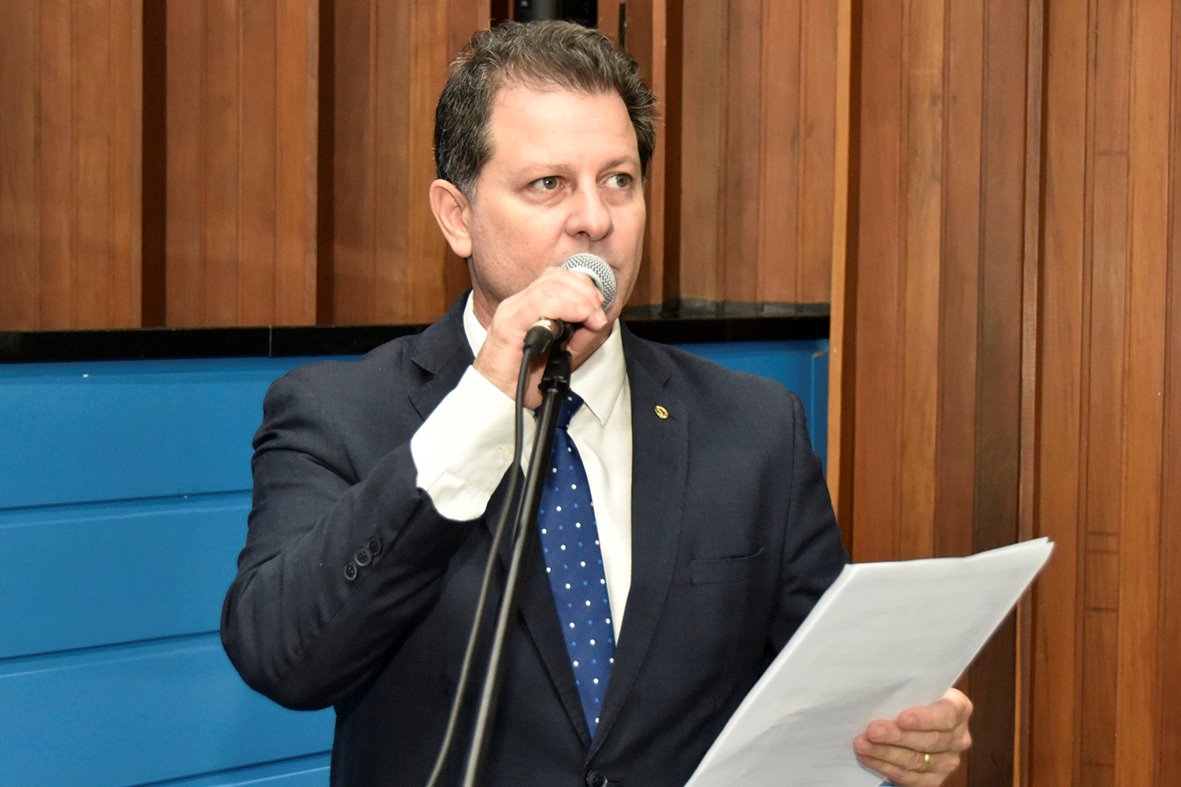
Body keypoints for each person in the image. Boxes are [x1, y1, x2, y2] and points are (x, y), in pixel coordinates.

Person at [221, 20, 972, 786]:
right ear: (457, 216)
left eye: (618, 180)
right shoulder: (337, 413)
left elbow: (826, 694)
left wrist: (898, 733)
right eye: (547, 184)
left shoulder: (755, 428)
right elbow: (284, 656)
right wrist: (482, 407)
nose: (595, 218)